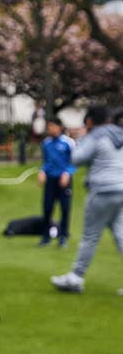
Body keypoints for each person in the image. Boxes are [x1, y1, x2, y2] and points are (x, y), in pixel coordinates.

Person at [50, 104, 123, 293]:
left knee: (90, 236)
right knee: (120, 235)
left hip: (102, 190)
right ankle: (76, 276)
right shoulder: (120, 134)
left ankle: (76, 277)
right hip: (121, 188)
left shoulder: (96, 135)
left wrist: (80, 139)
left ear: (90, 121)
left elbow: (77, 158)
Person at [37, 117, 75, 247]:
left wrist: (67, 173)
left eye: (52, 126)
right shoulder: (46, 143)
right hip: (51, 180)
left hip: (64, 180)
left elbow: (73, 161)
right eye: (48, 127)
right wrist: (42, 171)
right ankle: (45, 237)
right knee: (47, 208)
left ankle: (63, 237)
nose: (49, 129)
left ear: (59, 127)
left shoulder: (68, 143)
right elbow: (46, 162)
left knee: (65, 209)